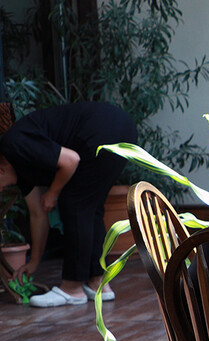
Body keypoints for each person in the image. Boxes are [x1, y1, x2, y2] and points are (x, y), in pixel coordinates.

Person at [0, 101, 137, 307]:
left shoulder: (13, 144)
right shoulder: (21, 171)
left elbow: (70, 160)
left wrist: (53, 192)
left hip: (103, 129)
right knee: (91, 208)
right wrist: (34, 261)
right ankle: (99, 284)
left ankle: (72, 288)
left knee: (74, 203)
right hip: (121, 129)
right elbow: (38, 214)